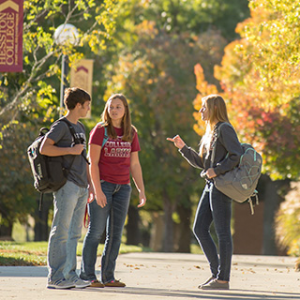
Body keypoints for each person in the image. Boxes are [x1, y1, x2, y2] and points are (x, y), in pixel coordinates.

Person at [167, 94, 243, 290]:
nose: (200, 111)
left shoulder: (225, 129)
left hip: (221, 187)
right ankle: (217, 273)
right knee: (199, 228)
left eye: (203, 107)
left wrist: (216, 170)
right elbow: (202, 164)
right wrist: (183, 148)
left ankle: (223, 279)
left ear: (214, 108)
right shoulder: (211, 132)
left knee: (223, 233)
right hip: (210, 187)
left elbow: (237, 155)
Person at [80, 93, 146, 288]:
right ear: (107, 110)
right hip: (103, 184)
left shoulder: (131, 132)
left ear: (125, 110)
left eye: (118, 106)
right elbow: (93, 163)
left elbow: (135, 164)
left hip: (123, 188)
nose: (114, 110)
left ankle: (108, 276)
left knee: (116, 234)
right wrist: (97, 190)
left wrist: (141, 189)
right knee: (96, 231)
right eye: (111, 107)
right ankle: (88, 275)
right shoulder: (100, 131)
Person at [40, 87, 91, 289]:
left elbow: (83, 158)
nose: (88, 109)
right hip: (67, 184)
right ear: (78, 105)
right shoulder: (61, 126)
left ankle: (70, 275)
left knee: (74, 233)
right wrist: (70, 149)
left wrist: (90, 186)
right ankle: (55, 277)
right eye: (86, 105)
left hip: (81, 185)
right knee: (61, 230)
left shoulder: (81, 128)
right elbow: (45, 148)